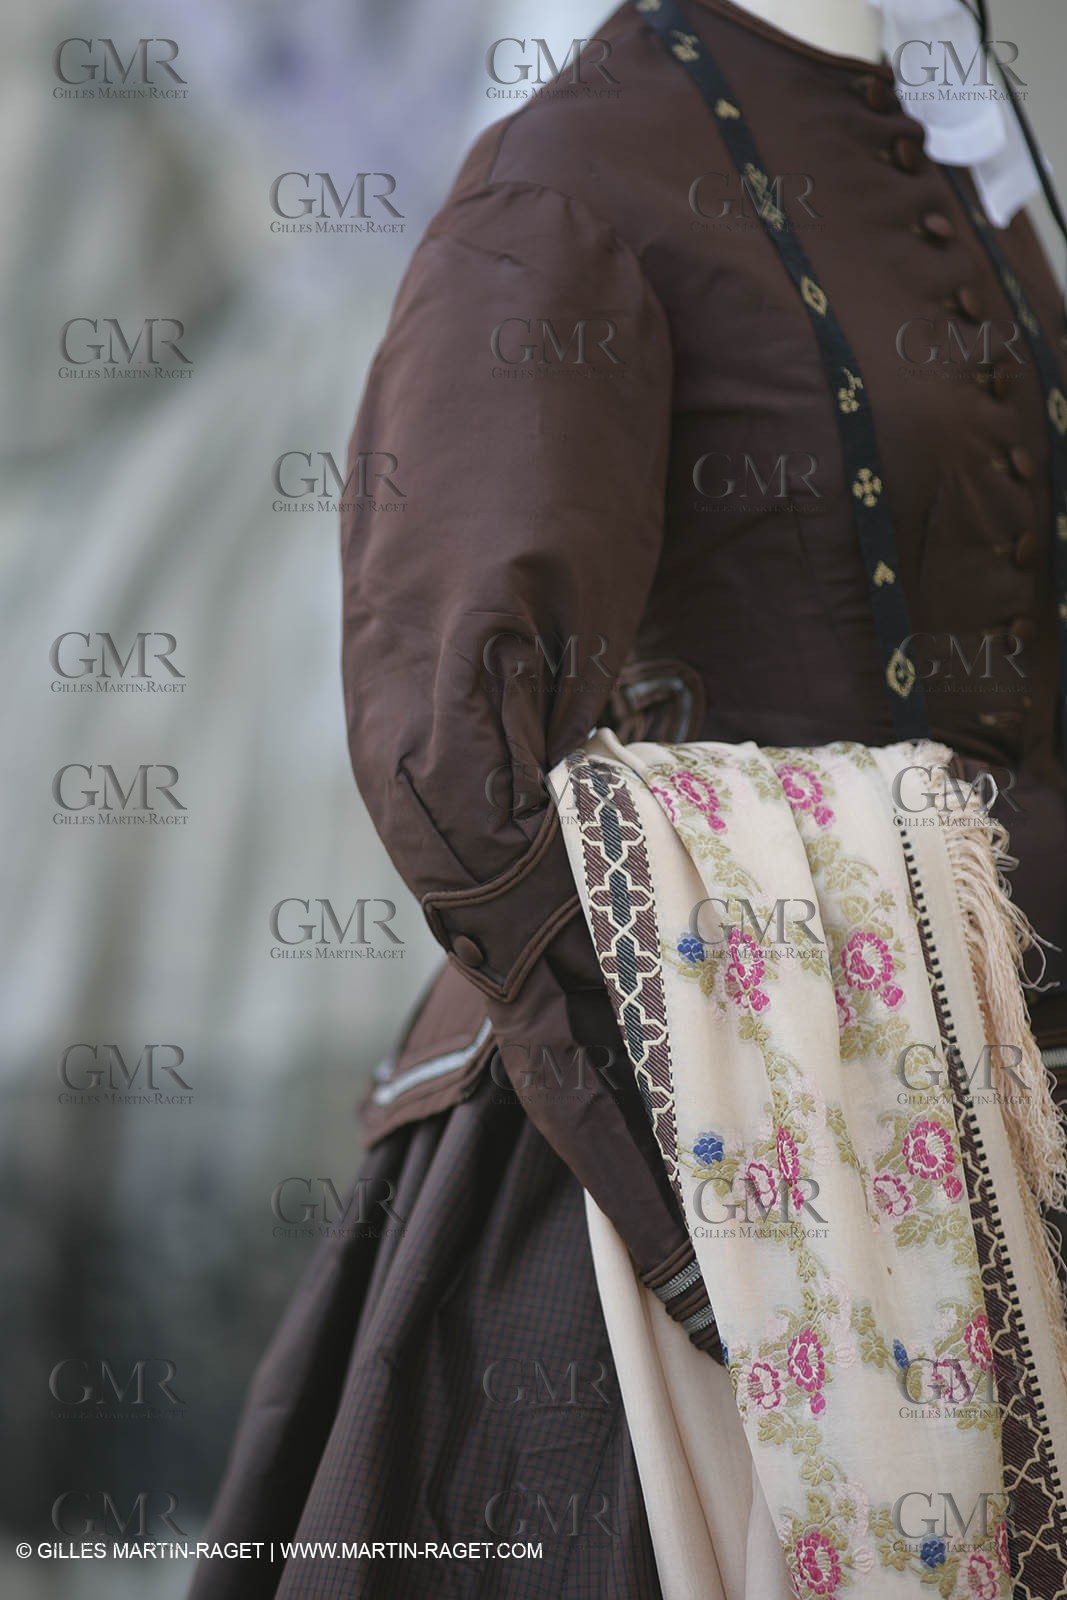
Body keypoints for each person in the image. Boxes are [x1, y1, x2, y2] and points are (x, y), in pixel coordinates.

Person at [192, 2, 1067, 1594]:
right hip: (722, 1139)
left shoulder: (959, 139)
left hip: (1019, 1103)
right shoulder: (571, 188)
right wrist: (731, 1202)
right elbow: (455, 761)